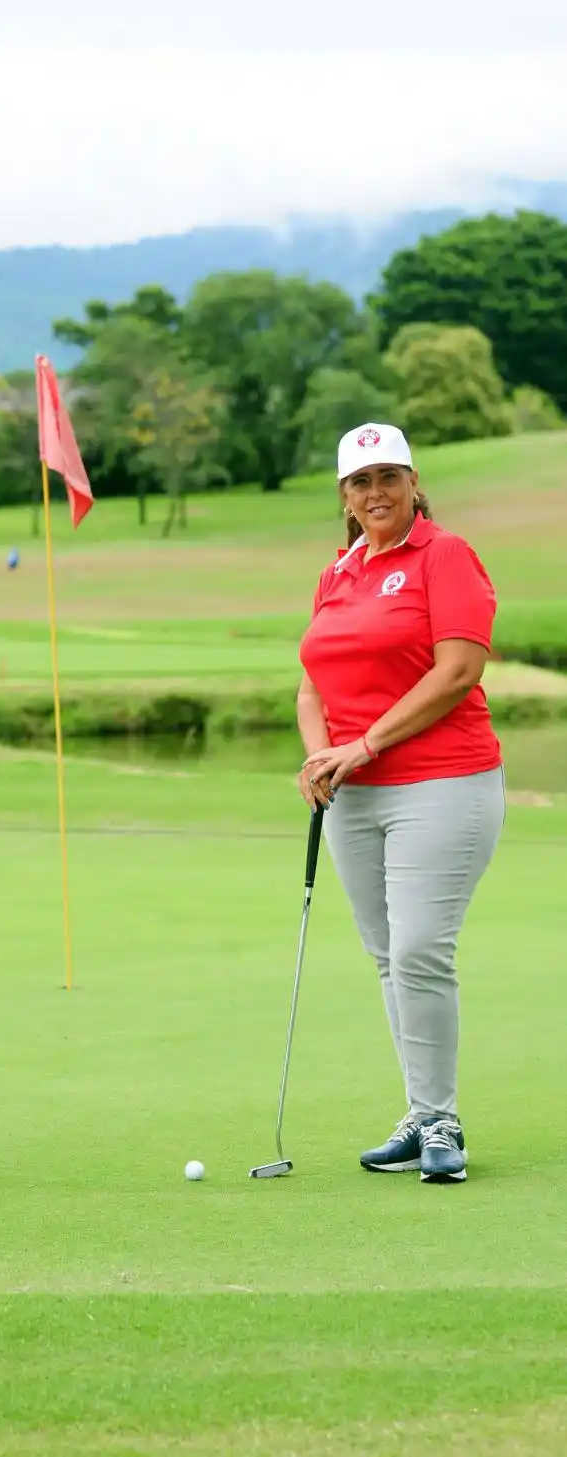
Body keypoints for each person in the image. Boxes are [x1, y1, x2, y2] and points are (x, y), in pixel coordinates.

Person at [296, 422, 505, 1184]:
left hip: (443, 782)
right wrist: (321, 753)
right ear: (345, 496)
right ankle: (421, 1113)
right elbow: (311, 682)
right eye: (361, 481)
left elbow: (457, 671)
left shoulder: (445, 555)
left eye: (389, 476)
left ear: (414, 482)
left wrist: (364, 744)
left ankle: (442, 1119)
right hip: (354, 794)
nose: (376, 492)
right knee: (390, 957)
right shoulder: (338, 571)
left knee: (419, 949)